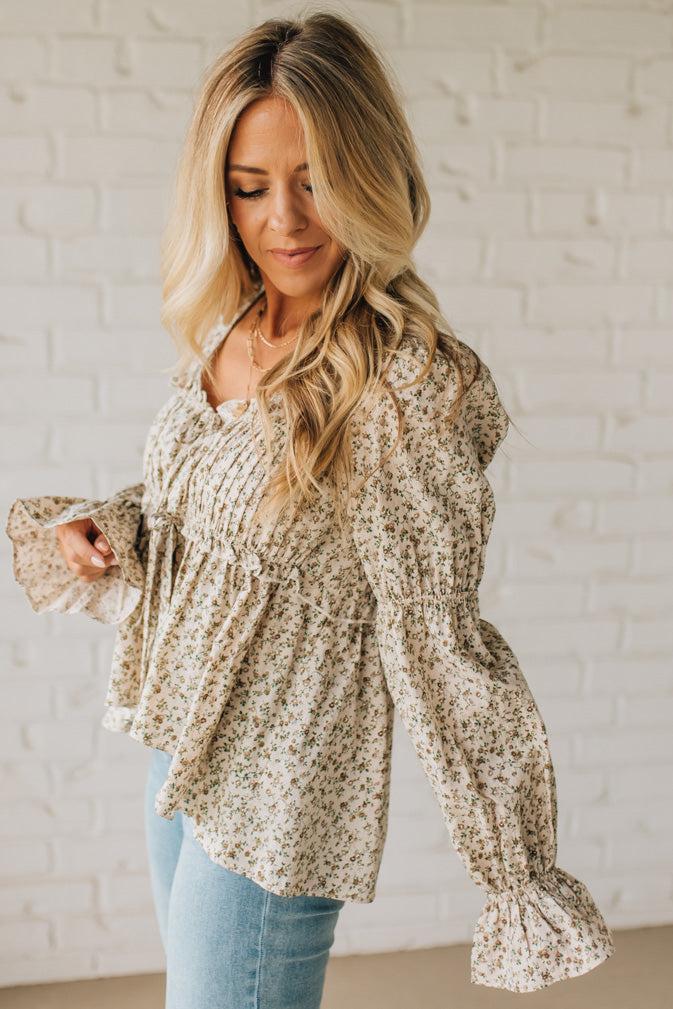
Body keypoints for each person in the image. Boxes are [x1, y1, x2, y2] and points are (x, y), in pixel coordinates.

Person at [4, 9, 615, 1007]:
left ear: (370, 176)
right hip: (180, 747)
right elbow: (216, 516)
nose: (284, 221)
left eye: (317, 181)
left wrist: (515, 871)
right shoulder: (233, 325)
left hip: (283, 784)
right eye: (250, 187)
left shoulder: (406, 387)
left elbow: (441, 638)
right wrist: (116, 526)